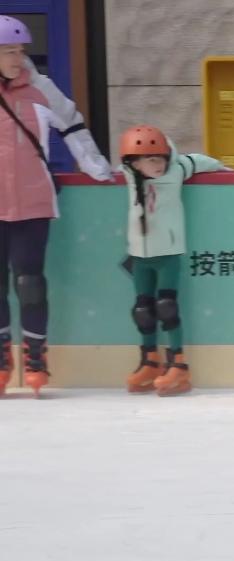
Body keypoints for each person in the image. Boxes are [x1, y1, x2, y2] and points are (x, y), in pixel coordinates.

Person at [0, 15, 113, 396]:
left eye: (20, 51)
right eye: (8, 51)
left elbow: (73, 125)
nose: (17, 59)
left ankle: (35, 356)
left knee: (29, 283)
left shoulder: (41, 89)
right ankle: (1, 358)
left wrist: (96, 167)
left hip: (33, 202)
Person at [118, 125, 228, 396]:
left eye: (161, 159)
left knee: (166, 307)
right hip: (139, 255)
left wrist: (222, 168)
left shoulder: (176, 170)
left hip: (167, 253)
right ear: (135, 163)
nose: (158, 165)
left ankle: (178, 364)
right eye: (150, 160)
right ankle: (149, 361)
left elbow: (197, 161)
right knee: (142, 309)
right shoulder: (130, 176)